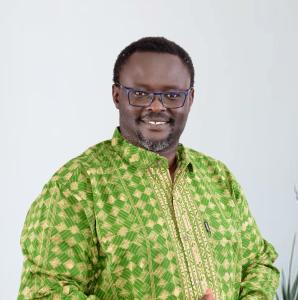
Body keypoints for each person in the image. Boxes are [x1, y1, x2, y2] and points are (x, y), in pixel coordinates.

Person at [18, 37, 279, 300]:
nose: (157, 106)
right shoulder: (77, 185)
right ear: (117, 96)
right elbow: (43, 291)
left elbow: (257, 263)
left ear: (190, 99)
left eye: (172, 95)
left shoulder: (218, 177)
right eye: (141, 93)